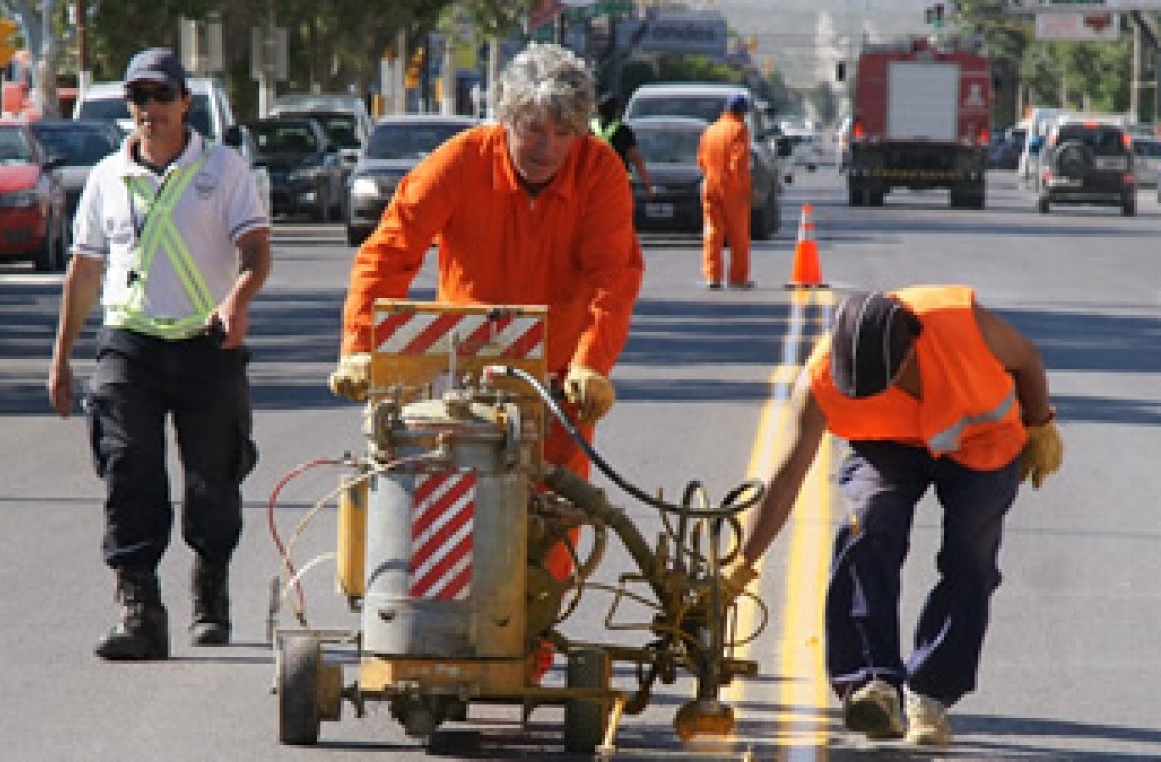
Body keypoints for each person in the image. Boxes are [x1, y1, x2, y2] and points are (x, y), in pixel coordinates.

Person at [328, 42, 643, 677]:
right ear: (506, 121)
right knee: (442, 499)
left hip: (555, 385)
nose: (546, 146)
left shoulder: (600, 172)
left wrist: (590, 367)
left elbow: (614, 276)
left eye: (561, 133)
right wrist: (361, 349)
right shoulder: (460, 162)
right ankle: (430, 629)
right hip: (458, 380)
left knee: (553, 515)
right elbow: (387, 253)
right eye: (533, 129)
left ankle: (529, 642)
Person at [722, 286, 1063, 746]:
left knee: (971, 559)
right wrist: (741, 564)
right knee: (867, 525)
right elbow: (785, 478)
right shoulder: (822, 378)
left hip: (983, 444)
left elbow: (1028, 358)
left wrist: (1039, 425)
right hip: (888, 446)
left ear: (909, 353)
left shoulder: (961, 323)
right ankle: (872, 686)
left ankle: (931, 695)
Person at [47, 48, 272, 660]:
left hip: (207, 343)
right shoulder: (105, 177)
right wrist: (61, 357)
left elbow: (255, 250)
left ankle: (211, 586)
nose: (149, 109)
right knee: (127, 469)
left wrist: (238, 300)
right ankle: (139, 609)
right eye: (138, 98)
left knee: (214, 482)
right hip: (130, 345)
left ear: (184, 103)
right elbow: (85, 271)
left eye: (159, 96)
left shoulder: (223, 169)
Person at [697, 93, 753, 290]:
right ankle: (738, 277)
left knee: (712, 231)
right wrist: (743, 188)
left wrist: (711, 176)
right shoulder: (739, 129)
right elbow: (737, 162)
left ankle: (713, 276)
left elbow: (701, 161)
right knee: (738, 234)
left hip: (709, 184)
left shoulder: (710, 130)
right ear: (742, 112)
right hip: (732, 188)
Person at [590, 93, 653, 197]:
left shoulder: (589, 129)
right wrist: (647, 183)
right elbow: (636, 158)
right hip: (618, 183)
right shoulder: (623, 130)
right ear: (617, 111)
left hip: (593, 184)